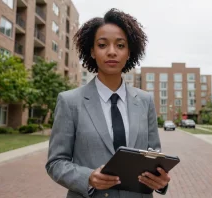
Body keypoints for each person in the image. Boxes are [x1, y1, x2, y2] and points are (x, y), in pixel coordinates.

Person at [45, 8, 170, 198]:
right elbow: (56, 163)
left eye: (120, 45)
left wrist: (160, 182)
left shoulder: (145, 101)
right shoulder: (69, 102)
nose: (112, 52)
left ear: (129, 53)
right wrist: (88, 177)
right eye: (103, 45)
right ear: (92, 52)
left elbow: (154, 156)